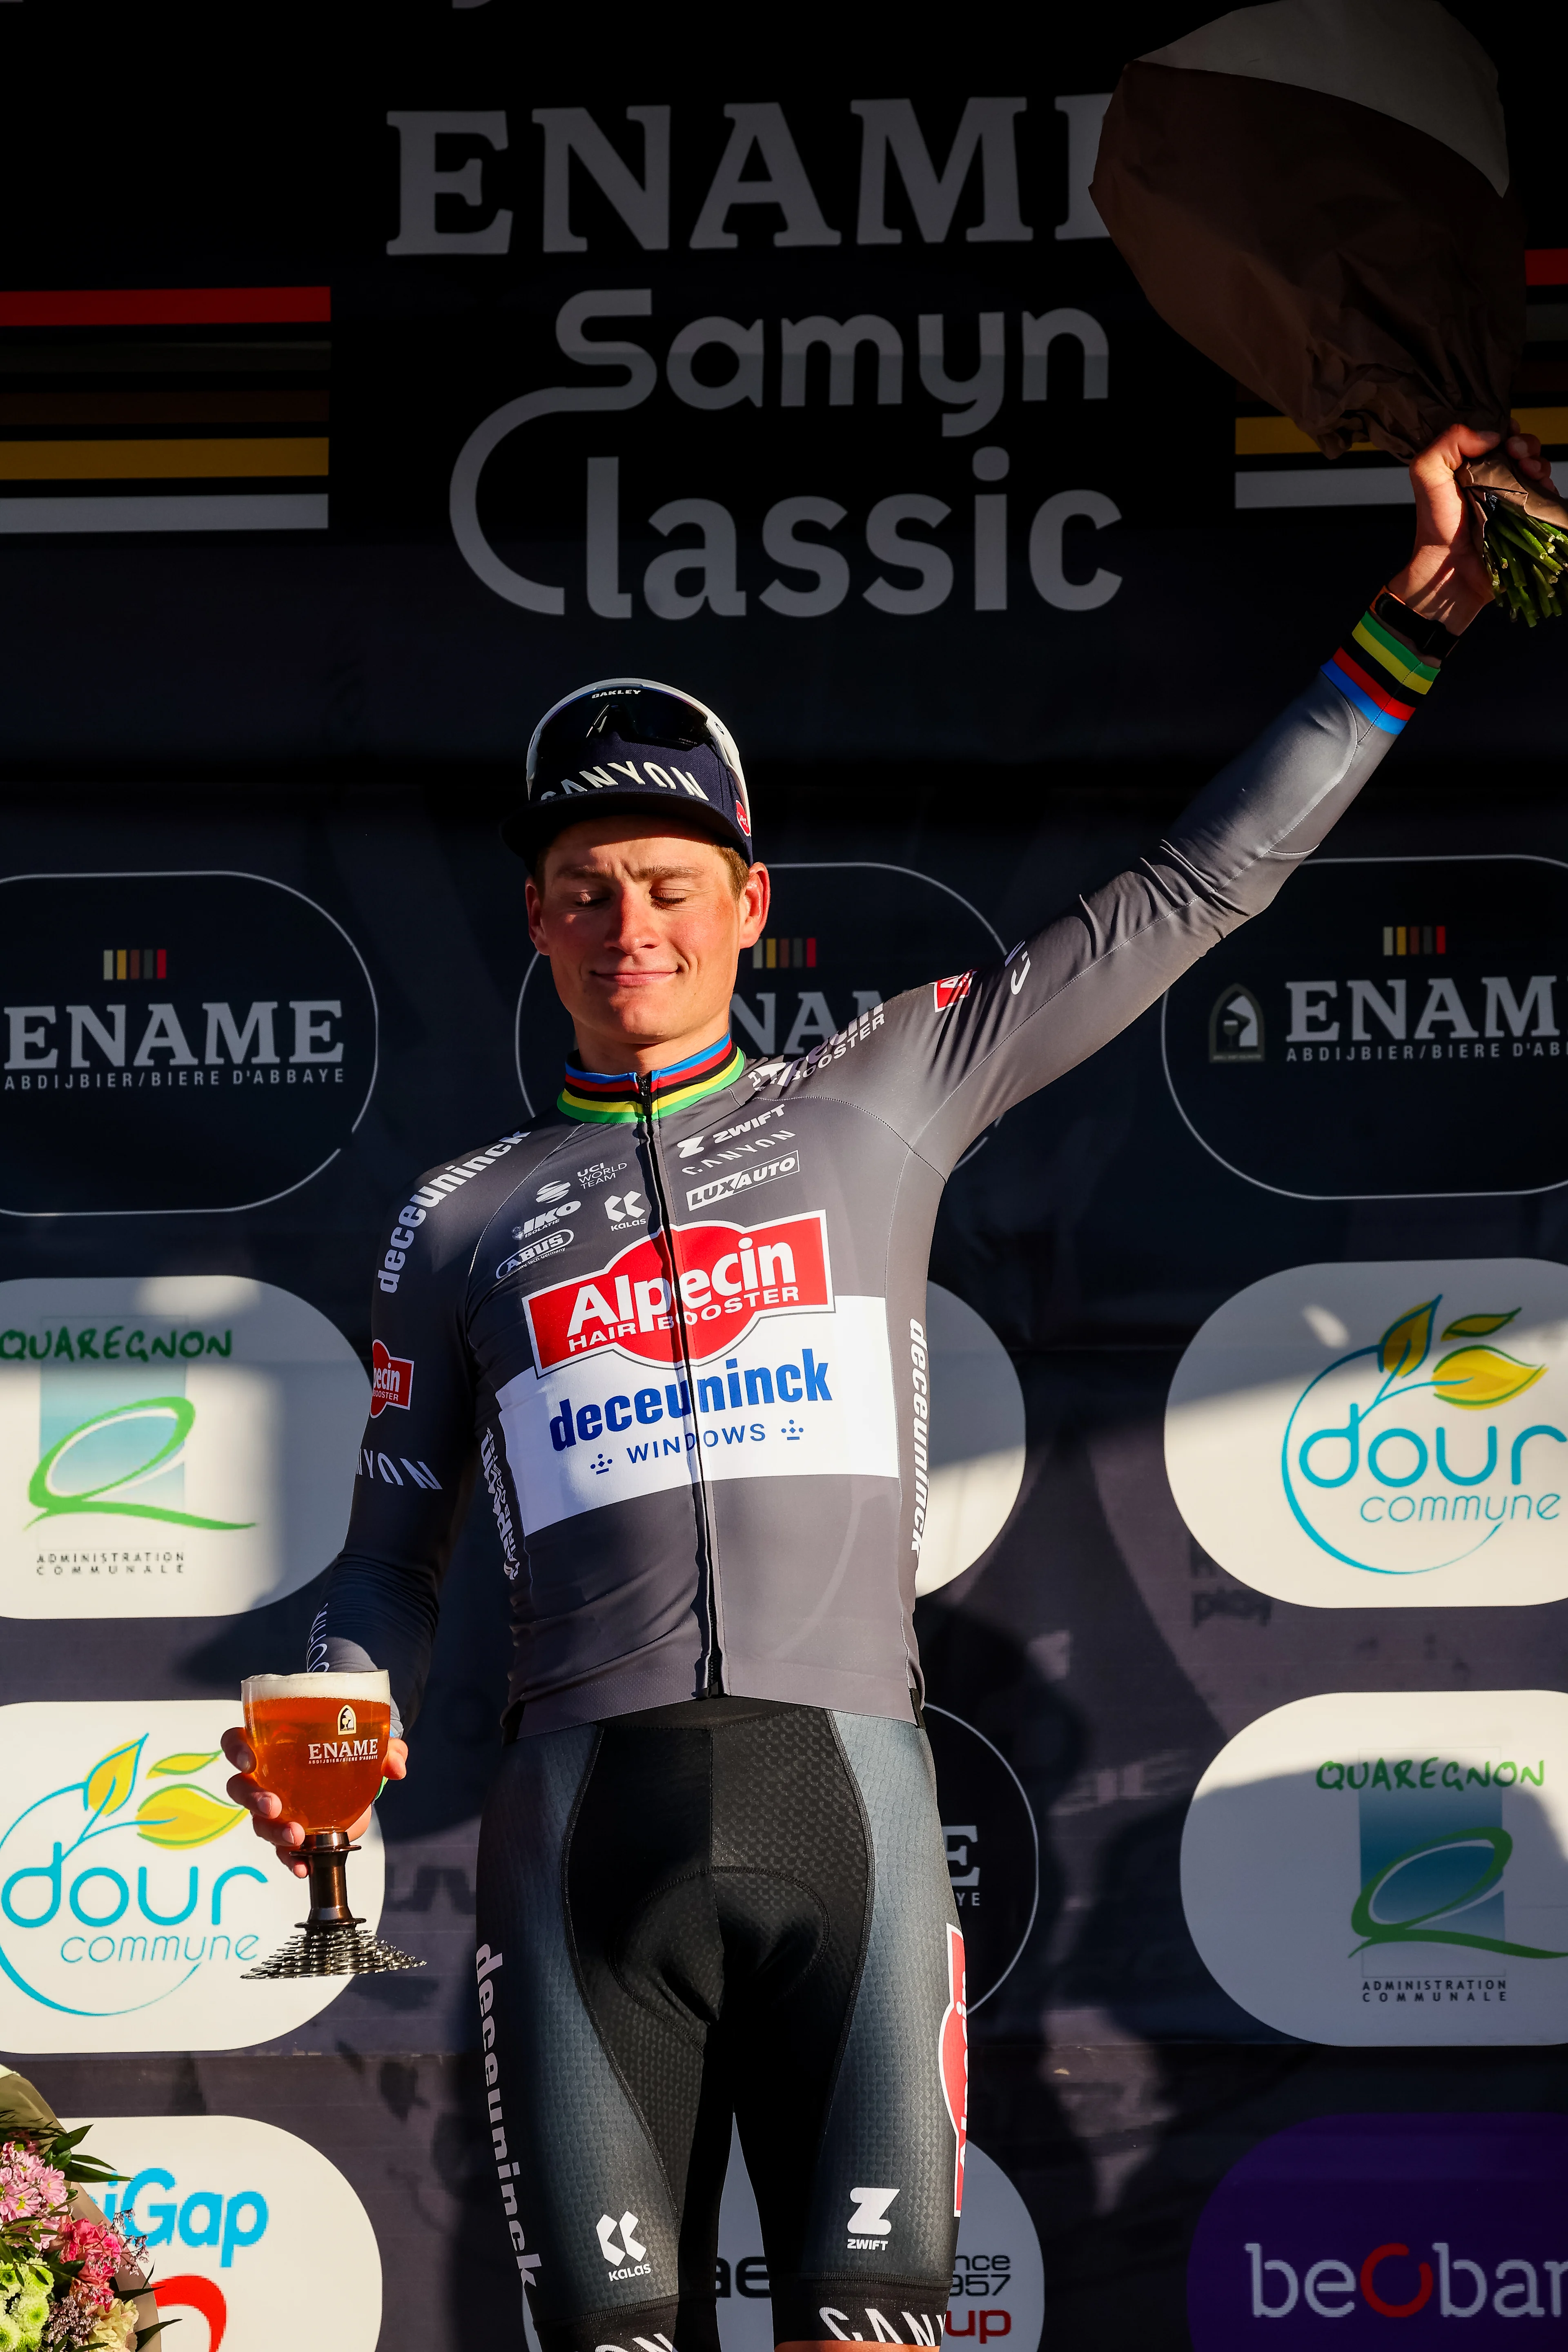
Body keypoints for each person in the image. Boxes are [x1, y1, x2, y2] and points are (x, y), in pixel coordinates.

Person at [225, 424, 1550, 2352]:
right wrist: (335, 1684)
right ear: (536, 922)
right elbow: (385, 1561)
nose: (632, 930)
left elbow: (1194, 890)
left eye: (670, 884)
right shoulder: (462, 1218)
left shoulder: (880, 1092)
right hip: (574, 1831)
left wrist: (1402, 639)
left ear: (750, 906)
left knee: (875, 2339)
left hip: (845, 1797)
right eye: (586, 891)